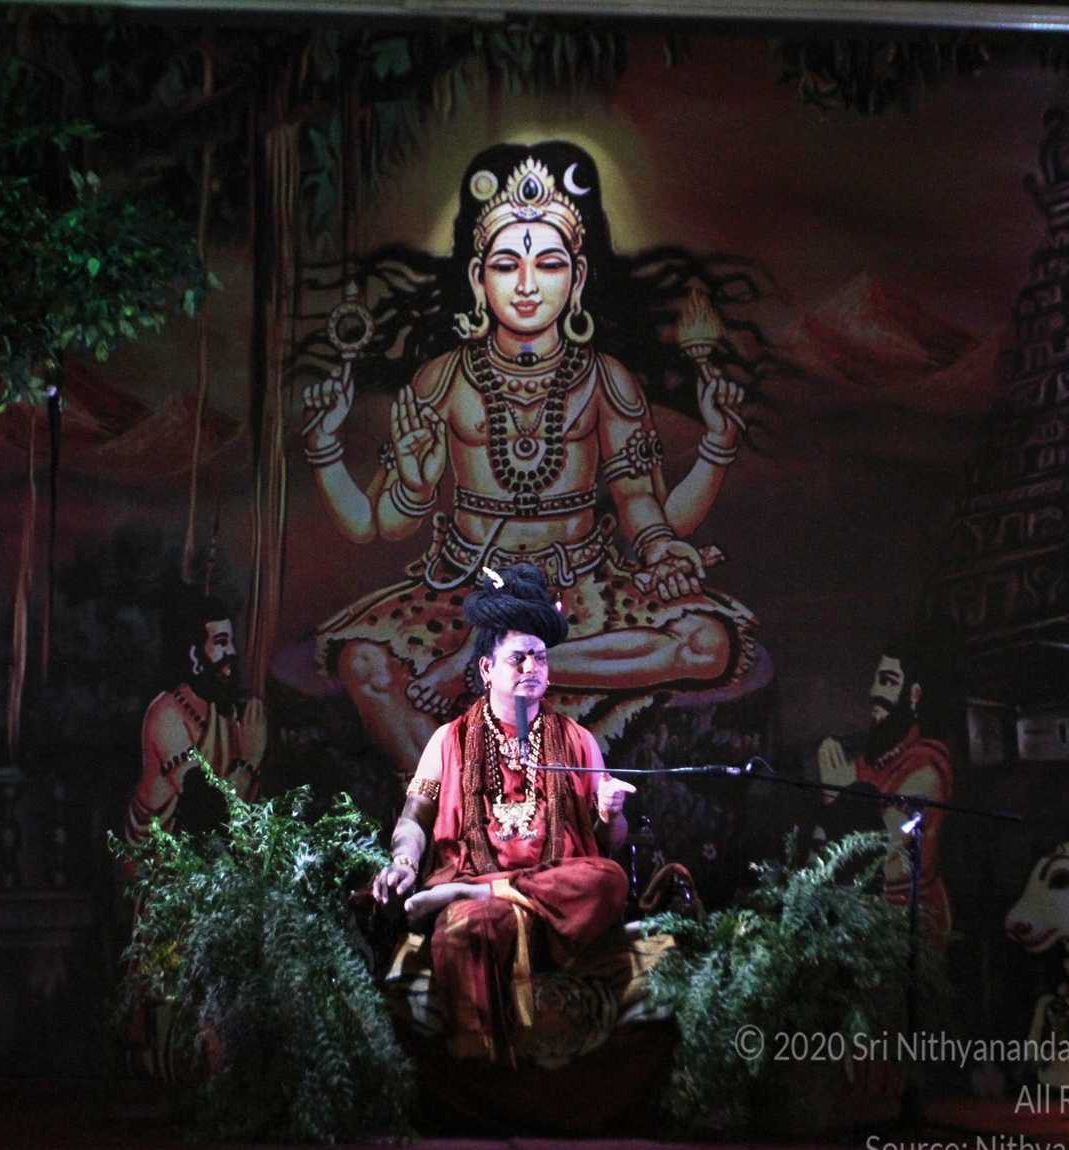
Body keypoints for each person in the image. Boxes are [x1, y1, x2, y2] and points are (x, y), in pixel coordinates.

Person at [300, 141, 758, 769]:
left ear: (577, 279)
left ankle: (505, 661)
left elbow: (640, 505)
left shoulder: (605, 379)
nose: (525, 286)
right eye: (505, 264)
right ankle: (453, 805)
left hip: (581, 590)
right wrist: (407, 481)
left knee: (707, 642)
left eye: (547, 264)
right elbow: (377, 524)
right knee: (364, 664)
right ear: (477, 278)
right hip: (466, 588)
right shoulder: (444, 378)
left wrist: (668, 534)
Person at [371, 564, 636, 1063]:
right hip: (494, 892)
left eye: (540, 658)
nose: (532, 668)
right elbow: (413, 819)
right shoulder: (448, 740)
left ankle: (472, 893)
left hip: (556, 905)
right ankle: (481, 1065)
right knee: (466, 927)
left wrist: (608, 814)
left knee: (609, 879)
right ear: (487, 669)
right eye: (518, 658)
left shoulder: (577, 741)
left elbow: (608, 845)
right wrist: (404, 861)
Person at [817, 644, 953, 943]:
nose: (874, 691)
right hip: (856, 916)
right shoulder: (867, 762)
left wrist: (840, 799)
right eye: (876, 680)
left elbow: (884, 850)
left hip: (909, 923)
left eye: (888, 682)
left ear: (914, 695)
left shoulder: (926, 766)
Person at [126, 590, 267, 846]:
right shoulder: (167, 713)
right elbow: (205, 812)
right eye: (222, 642)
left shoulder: (225, 709)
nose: (232, 651)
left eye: (232, 642)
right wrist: (250, 760)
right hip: (156, 858)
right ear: (194, 655)